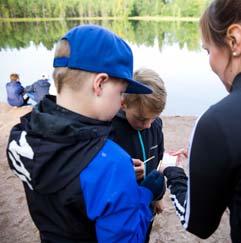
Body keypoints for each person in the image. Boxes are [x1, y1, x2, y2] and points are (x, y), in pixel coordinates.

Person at [6, 25, 166, 243]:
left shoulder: (22, 135)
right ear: (99, 83)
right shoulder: (110, 163)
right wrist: (145, 194)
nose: (122, 101)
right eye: (120, 92)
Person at [159, 0, 241, 242]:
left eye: (208, 50)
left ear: (234, 40)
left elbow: (198, 224)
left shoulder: (218, 123)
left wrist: (173, 172)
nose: (210, 63)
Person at [111, 68, 167, 242]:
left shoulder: (155, 125)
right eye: (142, 119)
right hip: (122, 209)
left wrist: (158, 196)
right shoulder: (110, 129)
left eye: (154, 117)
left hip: (148, 205)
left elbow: (158, 160)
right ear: (123, 103)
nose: (148, 125)